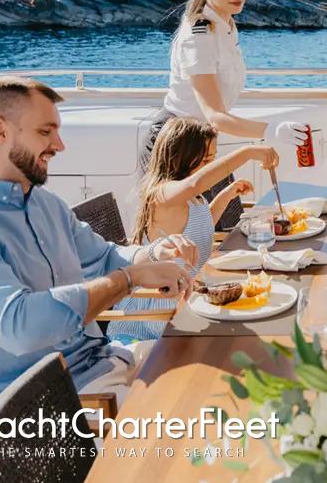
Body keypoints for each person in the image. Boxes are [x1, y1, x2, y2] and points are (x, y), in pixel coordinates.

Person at [0, 77, 198, 403]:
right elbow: (21, 327)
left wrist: (152, 254)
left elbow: (105, 257)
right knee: (199, 413)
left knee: (217, 366)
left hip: (104, 366)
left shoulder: (45, 204)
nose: (59, 145)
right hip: (46, 408)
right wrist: (128, 279)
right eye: (45, 132)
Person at [152, 0, 309, 229]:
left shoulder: (225, 24)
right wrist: (271, 130)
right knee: (191, 237)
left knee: (229, 226)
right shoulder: (199, 36)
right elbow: (215, 116)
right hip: (178, 145)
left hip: (203, 140)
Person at [108, 118, 277, 342]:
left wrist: (226, 195)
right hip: (155, 315)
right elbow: (196, 183)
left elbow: (200, 226)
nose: (209, 167)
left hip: (189, 297)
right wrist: (247, 152)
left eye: (212, 159)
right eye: (205, 160)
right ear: (180, 157)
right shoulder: (162, 194)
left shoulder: (189, 198)